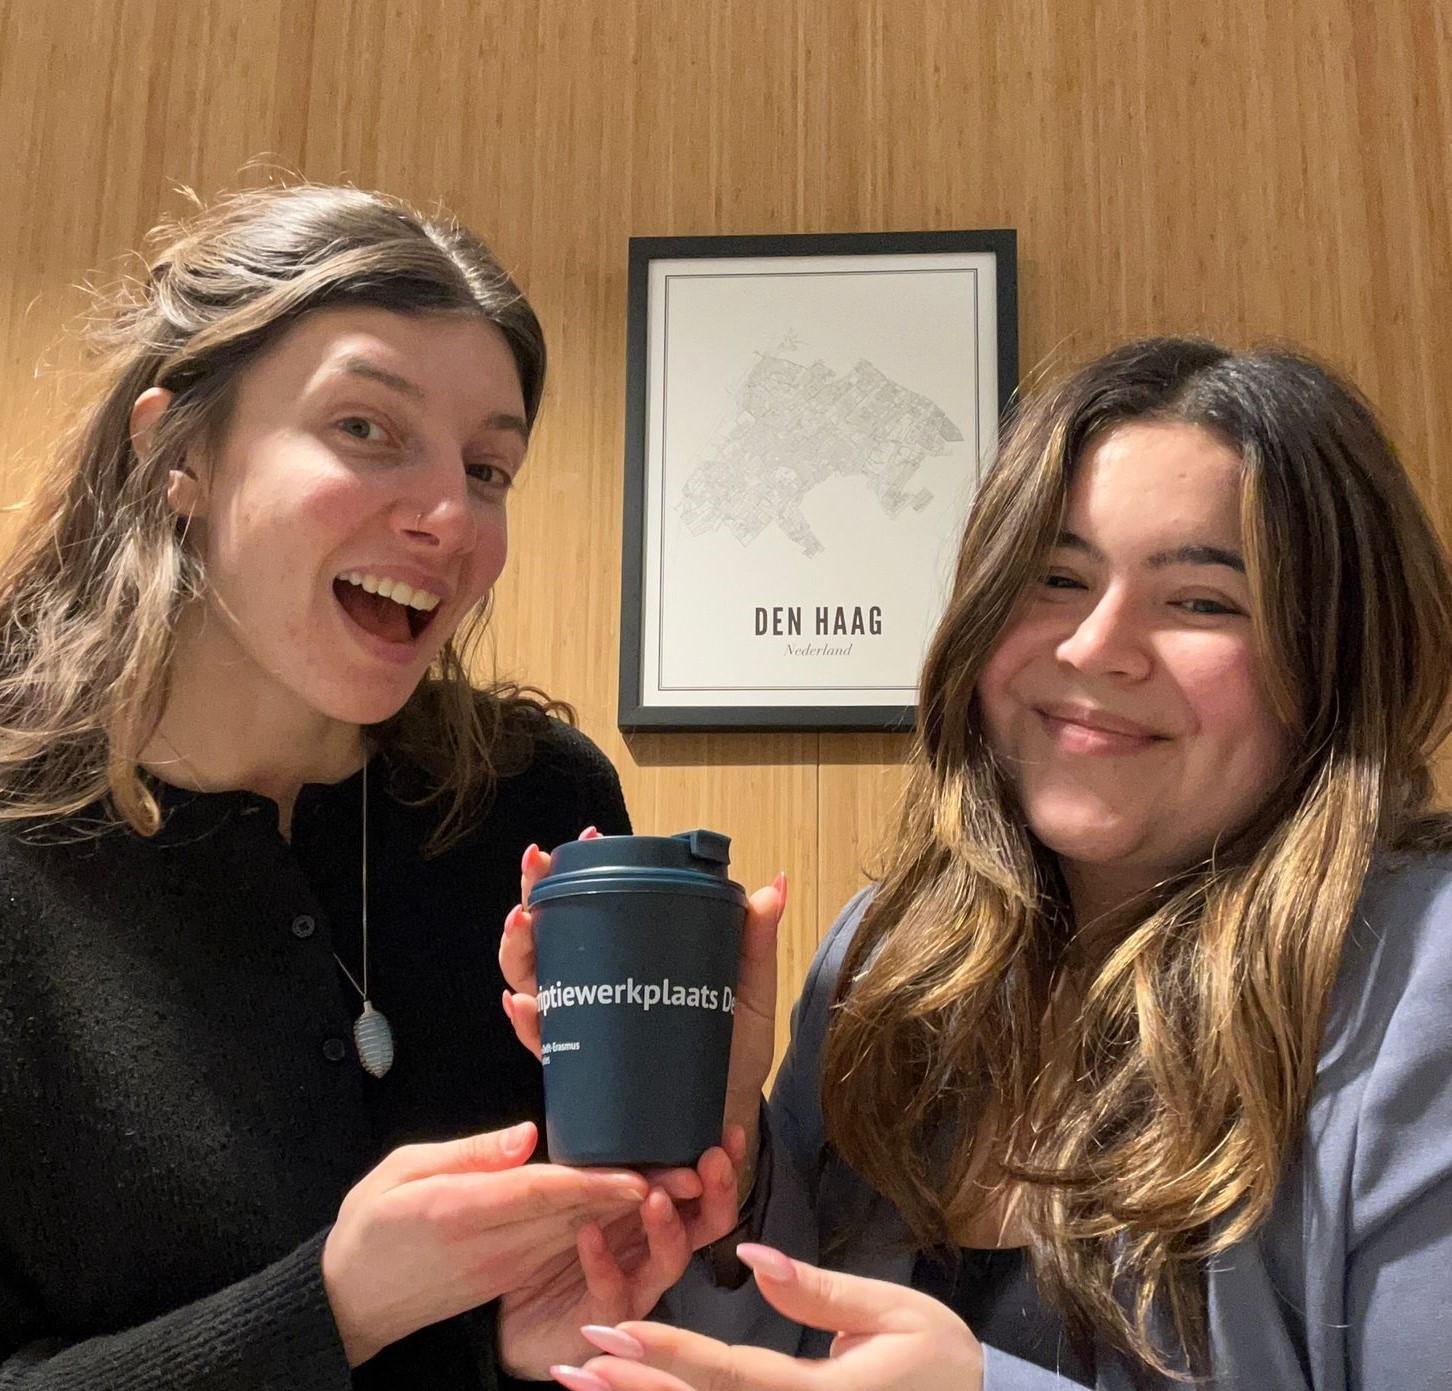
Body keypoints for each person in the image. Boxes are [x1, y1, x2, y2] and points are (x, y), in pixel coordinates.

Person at [501, 338, 1452, 1389]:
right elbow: (804, 1345)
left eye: (1200, 601)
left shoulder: (1423, 973)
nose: (1096, 645)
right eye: (1055, 576)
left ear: (1334, 656)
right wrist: (727, 1177)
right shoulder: (893, 949)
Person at [0, 183, 779, 1390]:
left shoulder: (535, 804)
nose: (446, 515)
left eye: (489, 466)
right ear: (177, 451)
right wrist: (334, 1308)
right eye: (367, 427)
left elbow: (569, 1309)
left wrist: (700, 1170)